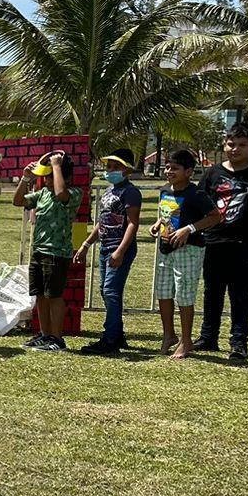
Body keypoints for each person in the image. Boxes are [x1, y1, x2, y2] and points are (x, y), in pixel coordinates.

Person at [196, 120, 248, 360]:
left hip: (245, 244)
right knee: (212, 292)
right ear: (224, 145)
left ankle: (239, 341)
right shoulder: (212, 172)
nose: (236, 149)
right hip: (213, 242)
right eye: (231, 144)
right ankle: (208, 337)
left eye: (242, 144)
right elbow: (201, 206)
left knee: (240, 294)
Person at [149, 149, 221, 360]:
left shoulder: (196, 193)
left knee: (184, 294)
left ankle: (186, 340)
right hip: (165, 249)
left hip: (189, 250)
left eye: (175, 168)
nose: (169, 171)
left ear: (189, 171)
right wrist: (158, 224)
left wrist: (188, 229)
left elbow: (215, 216)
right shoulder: (165, 190)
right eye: (167, 167)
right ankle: (168, 335)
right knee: (163, 292)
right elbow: (166, 213)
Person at [75, 149, 142, 355]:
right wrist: (86, 244)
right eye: (109, 167)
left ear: (127, 170)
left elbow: (133, 223)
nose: (111, 171)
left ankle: (110, 339)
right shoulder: (109, 192)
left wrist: (120, 251)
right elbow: (101, 223)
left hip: (118, 248)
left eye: (116, 167)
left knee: (112, 292)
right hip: (105, 247)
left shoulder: (130, 192)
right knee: (106, 291)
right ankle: (117, 334)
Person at [12, 150, 80, 351]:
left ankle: (57, 339)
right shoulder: (42, 194)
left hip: (57, 252)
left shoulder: (74, 193)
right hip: (39, 250)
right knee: (40, 294)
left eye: (51, 175)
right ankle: (45, 334)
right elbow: (18, 201)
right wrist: (25, 178)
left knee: (54, 295)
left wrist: (57, 165)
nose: (47, 179)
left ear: (64, 176)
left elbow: (61, 194)